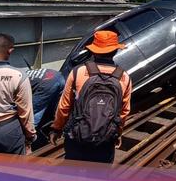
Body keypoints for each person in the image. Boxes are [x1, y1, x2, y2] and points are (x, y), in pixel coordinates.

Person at [49, 30, 132, 163]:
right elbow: (124, 112)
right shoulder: (124, 77)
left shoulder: (78, 72)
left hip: (77, 137)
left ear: (93, 51)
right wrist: (117, 133)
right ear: (115, 51)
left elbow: (64, 106)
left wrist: (56, 128)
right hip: (106, 139)